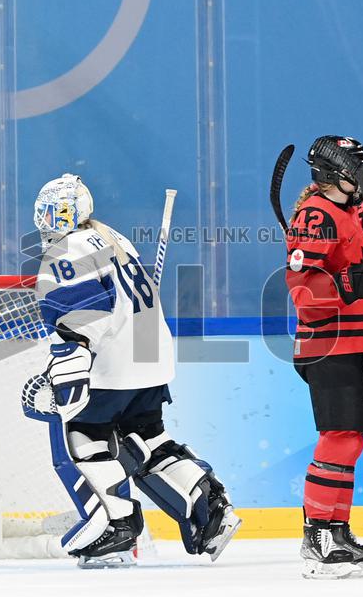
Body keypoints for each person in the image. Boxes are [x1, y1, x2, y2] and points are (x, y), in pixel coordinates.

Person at [34, 173, 241, 568]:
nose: (48, 220)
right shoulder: (112, 237)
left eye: (53, 212)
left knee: (85, 437)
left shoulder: (67, 250)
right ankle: (210, 510)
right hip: (151, 355)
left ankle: (119, 525)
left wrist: (70, 357)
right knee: (148, 436)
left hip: (115, 362)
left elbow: (85, 314)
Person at [285, 136, 363, 578]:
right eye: (356, 169)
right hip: (329, 342)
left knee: (350, 439)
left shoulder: (351, 213)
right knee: (339, 436)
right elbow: (304, 291)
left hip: (357, 341)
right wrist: (353, 283)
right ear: (333, 172)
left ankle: (338, 528)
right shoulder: (317, 214)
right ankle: (317, 534)